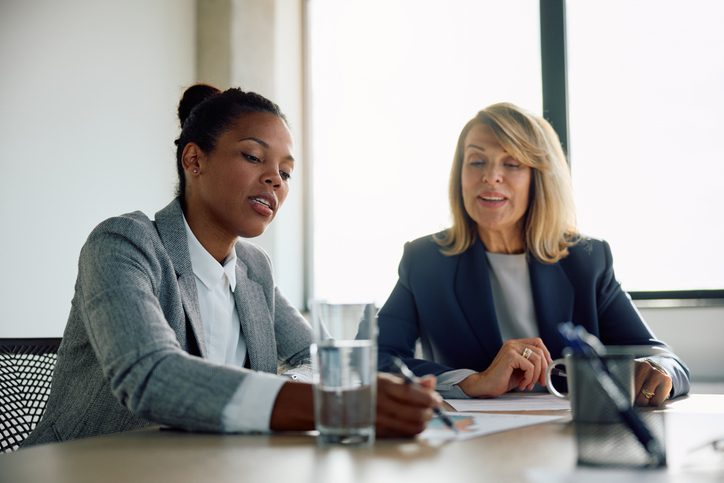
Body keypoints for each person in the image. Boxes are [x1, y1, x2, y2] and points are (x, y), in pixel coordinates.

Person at [22, 84, 440, 447]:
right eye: (254, 157)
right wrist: (333, 405)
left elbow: (312, 355)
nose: (275, 180)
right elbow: (150, 376)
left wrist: (291, 386)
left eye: (286, 172)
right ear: (194, 161)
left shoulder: (254, 269)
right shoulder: (123, 244)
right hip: (84, 469)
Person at [376, 102, 690, 407]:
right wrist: (473, 381)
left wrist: (657, 373)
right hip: (470, 442)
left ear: (539, 179)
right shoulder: (425, 261)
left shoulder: (587, 260)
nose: (491, 176)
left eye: (511, 164)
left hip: (566, 437)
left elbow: (664, 359)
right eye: (476, 161)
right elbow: (377, 358)